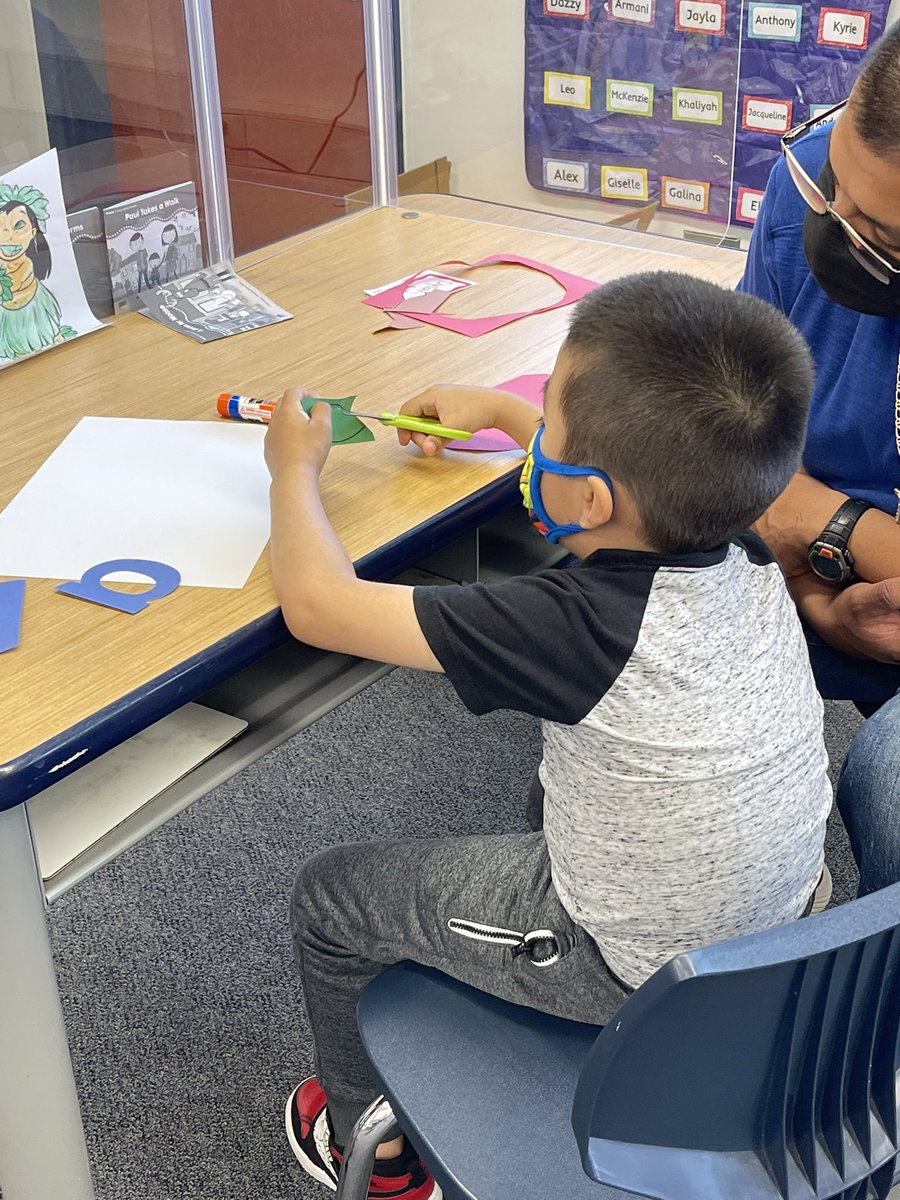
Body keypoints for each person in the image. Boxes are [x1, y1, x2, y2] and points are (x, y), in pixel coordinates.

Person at [264, 271, 832, 1199]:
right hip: (789, 925)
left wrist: (292, 468)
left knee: (332, 898)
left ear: (595, 501)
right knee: (546, 786)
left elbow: (319, 607)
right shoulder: (743, 544)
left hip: (639, 968)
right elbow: (628, 485)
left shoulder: (571, 624)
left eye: (548, 425)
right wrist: (498, 410)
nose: (539, 442)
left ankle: (374, 1149)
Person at [738, 24, 900, 897]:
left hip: (823, 552)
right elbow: (736, 448)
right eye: (836, 187)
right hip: (808, 571)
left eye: (881, 235)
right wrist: (814, 592)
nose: (835, 227)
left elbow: (783, 499)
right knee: (624, 619)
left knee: (893, 781)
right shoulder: (808, 175)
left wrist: (817, 517)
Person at [0, 183, 76, 359]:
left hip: (31, 312)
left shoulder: (26, 265)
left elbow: (14, 286)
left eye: (18, 226)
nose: (9, 237)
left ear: (33, 231)